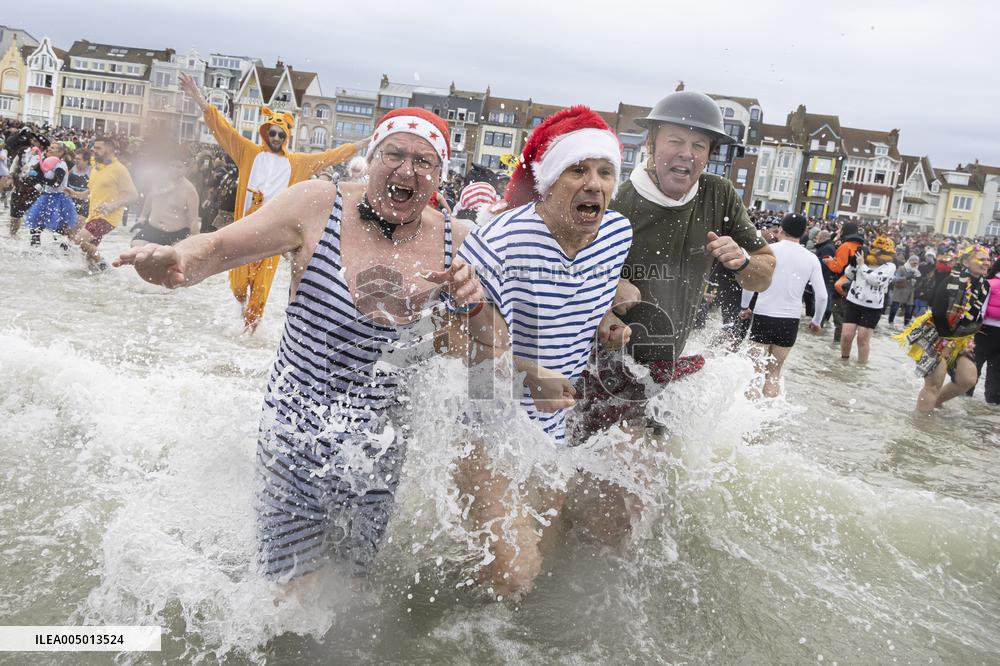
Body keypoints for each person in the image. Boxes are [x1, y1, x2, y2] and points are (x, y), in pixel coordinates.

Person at [115, 107, 483, 584]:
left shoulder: (458, 241)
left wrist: (463, 306)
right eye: (394, 154)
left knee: (348, 589)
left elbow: (461, 353)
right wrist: (176, 258)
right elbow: (219, 247)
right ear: (372, 158)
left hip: (380, 448)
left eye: (424, 163)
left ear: (439, 176)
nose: (407, 171)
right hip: (296, 433)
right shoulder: (317, 204)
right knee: (286, 596)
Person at [454, 106, 632, 596]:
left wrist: (607, 318)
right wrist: (528, 374)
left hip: (552, 431)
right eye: (578, 170)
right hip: (484, 425)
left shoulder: (616, 235)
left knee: (542, 566)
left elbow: (583, 289)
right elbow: (448, 346)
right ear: (551, 181)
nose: (593, 183)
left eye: (605, 171)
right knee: (515, 575)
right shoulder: (500, 243)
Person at [572, 89, 775, 441]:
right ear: (651, 142)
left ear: (710, 155)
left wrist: (742, 262)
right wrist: (610, 291)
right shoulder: (616, 196)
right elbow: (562, 267)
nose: (686, 153)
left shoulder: (719, 194)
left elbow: (764, 274)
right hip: (602, 366)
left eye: (699, 146)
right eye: (676, 141)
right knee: (598, 473)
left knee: (651, 480)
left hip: (665, 375)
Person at [179, 73, 366, 333]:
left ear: (286, 135)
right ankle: (239, 314)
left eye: (281, 133)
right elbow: (222, 128)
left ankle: (250, 332)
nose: (276, 137)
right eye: (272, 132)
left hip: (273, 233)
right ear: (266, 131)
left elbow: (330, 156)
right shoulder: (248, 152)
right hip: (244, 227)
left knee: (261, 288)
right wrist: (197, 96)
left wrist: (366, 143)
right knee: (237, 284)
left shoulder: (297, 162)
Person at [895, 246, 992, 413]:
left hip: (959, 337)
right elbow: (938, 312)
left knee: (967, 379)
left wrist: (966, 337)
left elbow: (974, 315)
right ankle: (919, 426)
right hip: (936, 333)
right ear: (966, 261)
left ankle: (935, 404)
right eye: (981, 259)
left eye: (988, 259)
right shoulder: (951, 280)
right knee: (934, 384)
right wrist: (946, 343)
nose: (986, 263)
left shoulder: (985, 286)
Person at [739, 214, 826, 398]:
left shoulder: (768, 251)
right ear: (804, 232)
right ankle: (770, 417)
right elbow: (822, 296)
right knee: (774, 374)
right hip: (790, 321)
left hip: (764, 315)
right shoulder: (811, 259)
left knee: (754, 373)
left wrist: (745, 306)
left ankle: (750, 422)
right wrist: (817, 321)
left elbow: (750, 281)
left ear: (781, 230)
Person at [72, 136, 139, 270]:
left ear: (109, 149)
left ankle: (103, 265)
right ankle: (100, 273)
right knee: (88, 255)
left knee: (78, 240)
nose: (93, 150)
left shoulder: (120, 169)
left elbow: (133, 195)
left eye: (98, 148)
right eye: (93, 147)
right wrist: (73, 193)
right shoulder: (96, 169)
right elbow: (89, 193)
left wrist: (112, 206)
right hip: (93, 216)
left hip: (107, 218)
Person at [131, 153, 200, 247]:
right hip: (153, 229)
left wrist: (195, 238)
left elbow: (193, 219)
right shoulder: (158, 181)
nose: (175, 169)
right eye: (173, 165)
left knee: (167, 256)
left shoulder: (189, 190)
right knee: (136, 246)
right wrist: (142, 216)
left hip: (176, 234)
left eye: (179, 167)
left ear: (186, 169)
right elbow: (150, 198)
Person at [24, 141, 77, 246]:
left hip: (58, 199)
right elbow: (39, 175)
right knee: (36, 226)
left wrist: (39, 178)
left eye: (53, 148)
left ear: (60, 152)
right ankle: (35, 251)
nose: (49, 149)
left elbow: (56, 183)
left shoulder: (60, 165)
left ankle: (65, 251)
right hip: (46, 196)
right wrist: (32, 176)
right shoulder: (48, 161)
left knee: (59, 229)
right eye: (50, 147)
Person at [823, 221, 866, 342]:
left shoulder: (845, 246)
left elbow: (838, 267)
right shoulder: (862, 246)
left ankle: (837, 346)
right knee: (850, 321)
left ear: (845, 231)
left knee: (839, 320)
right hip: (856, 288)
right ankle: (847, 346)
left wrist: (828, 261)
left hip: (841, 286)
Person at [970, 257, 1000, 405]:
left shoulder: (989, 283)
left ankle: (965, 395)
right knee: (996, 373)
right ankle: (992, 403)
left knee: (975, 365)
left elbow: (980, 310)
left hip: (984, 330)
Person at [888, 255, 921, 327]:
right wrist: (906, 277)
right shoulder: (902, 268)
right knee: (895, 306)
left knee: (909, 308)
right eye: (913, 260)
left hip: (910, 292)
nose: (914, 262)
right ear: (909, 261)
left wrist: (916, 282)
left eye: (916, 261)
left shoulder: (917, 272)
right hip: (900, 290)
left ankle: (906, 324)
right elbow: (895, 279)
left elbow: (918, 282)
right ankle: (890, 321)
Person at [813, 229, 837, 326]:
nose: (816, 239)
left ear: (822, 238)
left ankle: (819, 324)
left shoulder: (827, 248)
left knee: (822, 303)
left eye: (817, 237)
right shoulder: (826, 246)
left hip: (825, 279)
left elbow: (826, 264)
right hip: (825, 278)